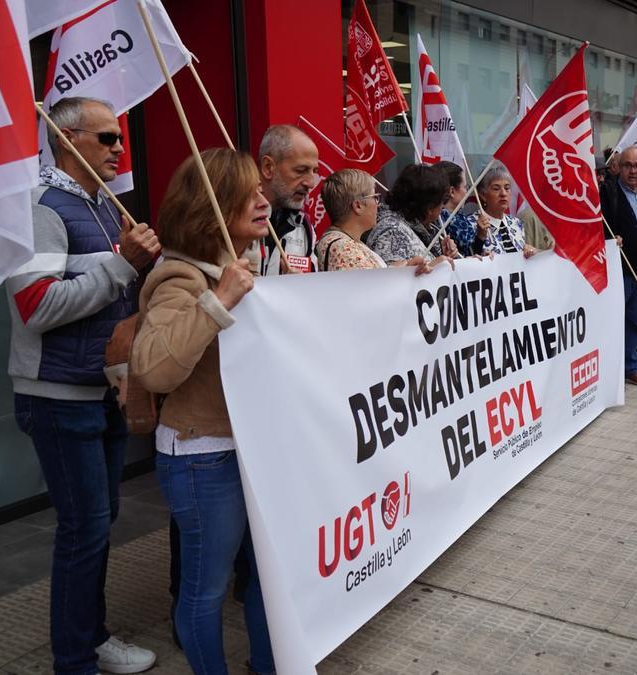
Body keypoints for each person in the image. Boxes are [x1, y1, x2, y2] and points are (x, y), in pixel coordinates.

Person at [6, 97, 159, 675]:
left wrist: (135, 265)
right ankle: (74, 659)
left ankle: (91, 639)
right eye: (106, 138)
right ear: (67, 142)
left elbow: (106, 297)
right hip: (58, 396)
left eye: (120, 137)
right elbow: (37, 307)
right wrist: (123, 264)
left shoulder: (98, 206)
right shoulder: (43, 208)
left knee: (98, 524)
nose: (121, 147)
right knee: (85, 530)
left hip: (101, 391)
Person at [131, 148, 273, 675]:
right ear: (212, 206)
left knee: (266, 578)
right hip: (203, 456)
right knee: (205, 588)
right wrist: (218, 300)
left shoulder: (241, 266)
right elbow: (152, 368)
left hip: (250, 448)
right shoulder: (180, 278)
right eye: (249, 194)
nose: (263, 201)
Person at [600, 146, 637, 387]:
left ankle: (630, 368)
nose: (632, 171)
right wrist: (608, 241)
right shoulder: (608, 193)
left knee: (634, 322)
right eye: (627, 165)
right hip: (618, 273)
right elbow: (596, 229)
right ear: (618, 167)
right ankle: (607, 372)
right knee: (612, 322)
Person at [367, 163, 459, 266]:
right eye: (441, 202)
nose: (442, 207)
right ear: (429, 207)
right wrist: (434, 266)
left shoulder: (422, 227)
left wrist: (444, 255)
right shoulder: (391, 232)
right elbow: (392, 278)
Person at [257, 124, 319, 275]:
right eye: (301, 171)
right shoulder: (233, 220)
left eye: (314, 171)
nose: (310, 183)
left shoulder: (304, 228)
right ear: (268, 168)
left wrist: (300, 287)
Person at [316, 169, 388, 271]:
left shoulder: (349, 243)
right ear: (358, 206)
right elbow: (373, 285)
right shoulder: (343, 248)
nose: (378, 204)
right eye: (375, 197)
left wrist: (402, 269)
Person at [459, 166, 538, 258]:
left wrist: (529, 252)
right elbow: (466, 260)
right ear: (483, 195)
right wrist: (480, 238)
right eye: (496, 189)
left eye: (507, 188)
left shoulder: (516, 223)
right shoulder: (469, 223)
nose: (503, 194)